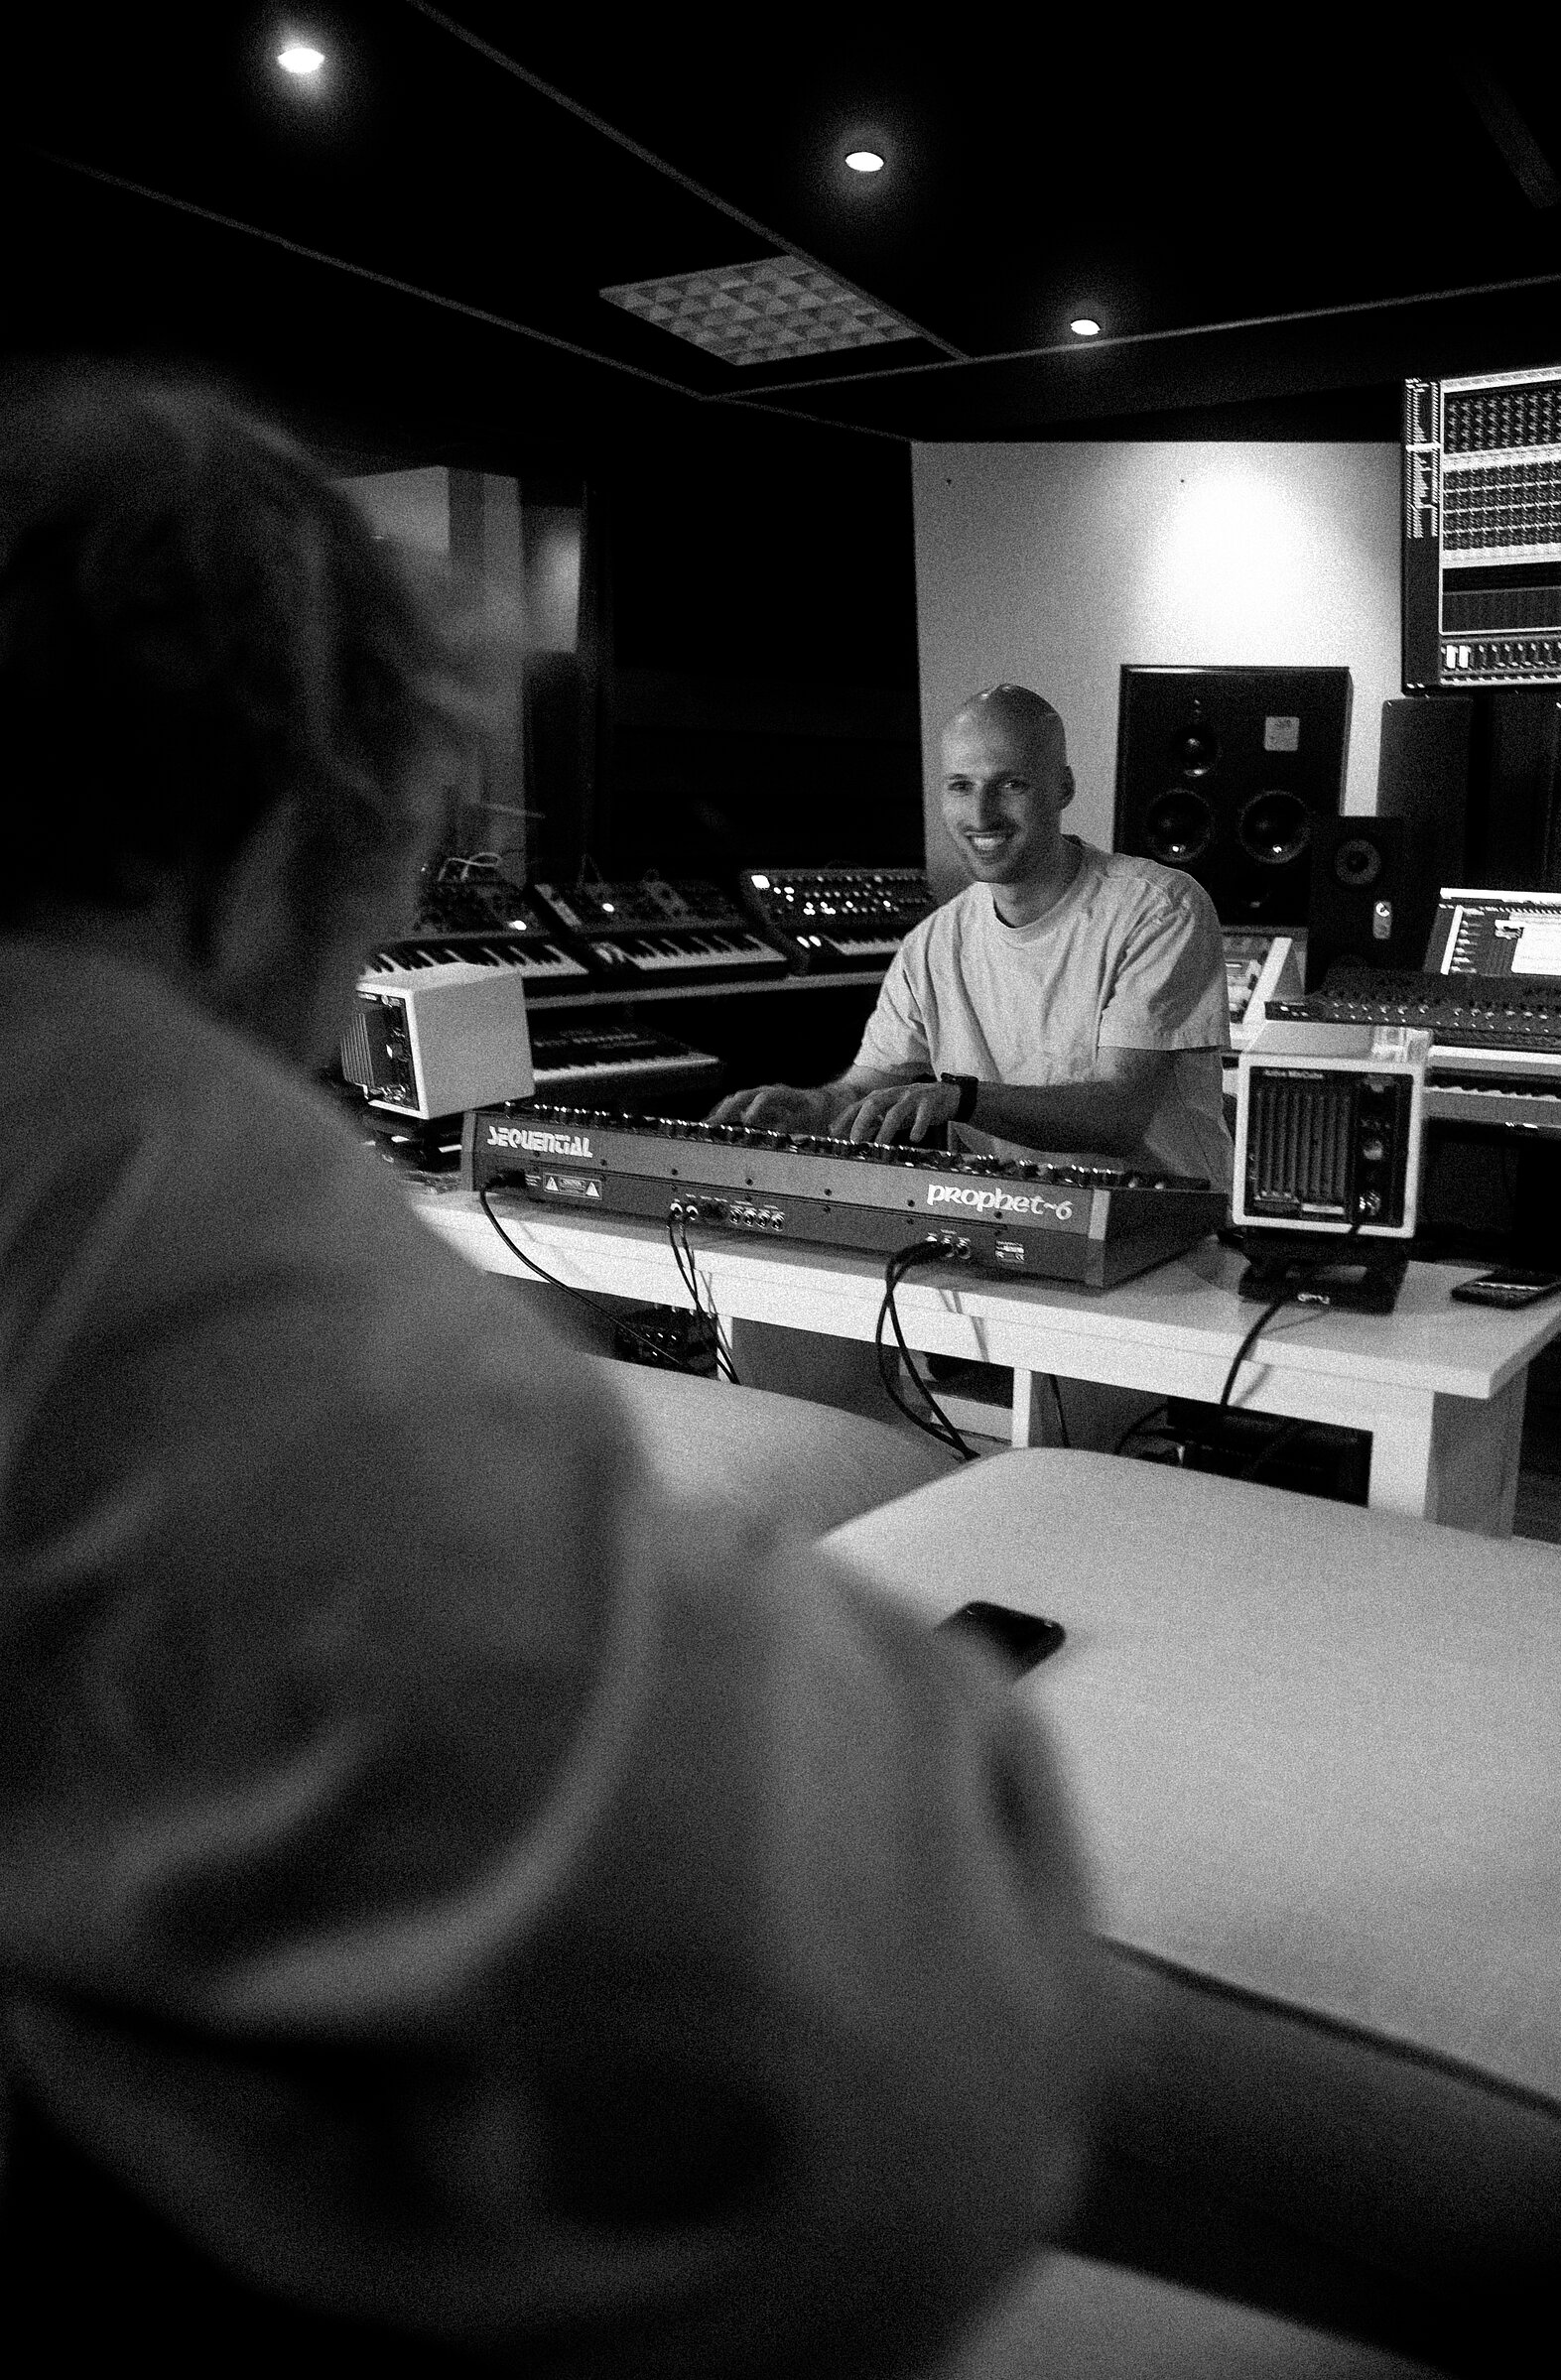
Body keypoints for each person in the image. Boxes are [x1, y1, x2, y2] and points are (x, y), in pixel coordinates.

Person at [0, 364, 1107, 2371]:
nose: (342, 1024)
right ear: (268, 857)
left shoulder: (1151, 911)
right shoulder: (133, 1187)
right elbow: (906, 2076)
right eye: (373, 913)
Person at [715, 683, 1232, 1190]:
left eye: (1011, 785)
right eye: (961, 785)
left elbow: (1119, 1115)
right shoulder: (933, 942)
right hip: (1006, 1219)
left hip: (1171, 1232)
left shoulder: (1158, 906)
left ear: (1064, 788)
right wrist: (812, 1104)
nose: (981, 814)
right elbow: (866, 1086)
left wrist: (961, 1098)